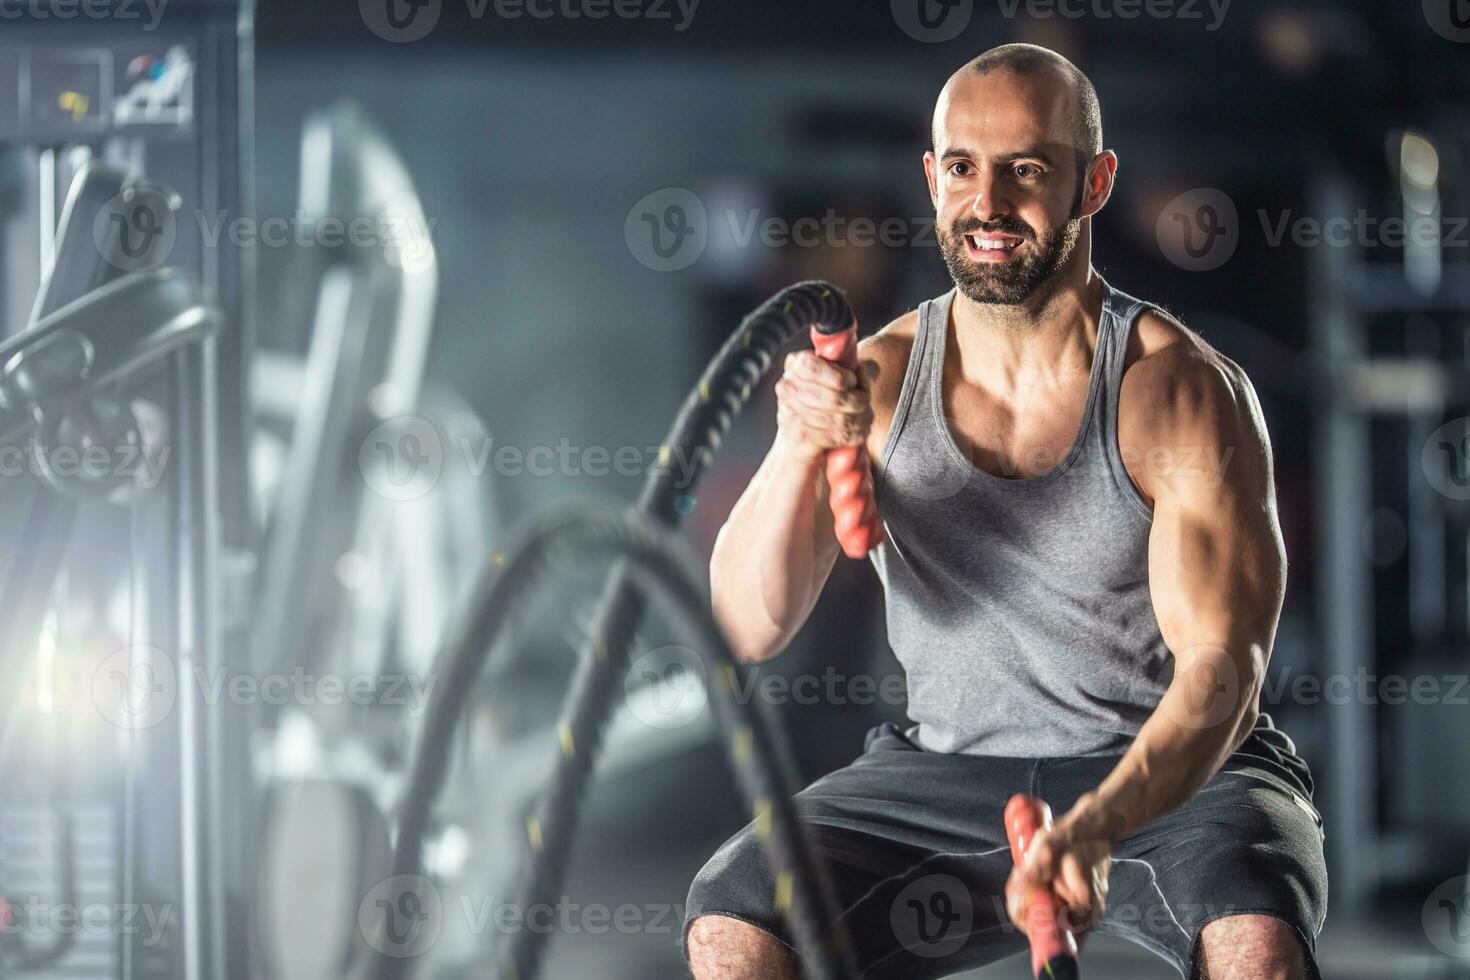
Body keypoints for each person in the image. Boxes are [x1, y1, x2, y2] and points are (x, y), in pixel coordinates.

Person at [682, 43, 1327, 980]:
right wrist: (796, 442)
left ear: (1094, 182)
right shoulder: (877, 379)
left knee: (1256, 945)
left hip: (1178, 773)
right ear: (931, 178)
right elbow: (747, 623)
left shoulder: (1176, 395)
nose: (987, 204)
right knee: (735, 924)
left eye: (1026, 170)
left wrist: (1097, 826)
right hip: (942, 774)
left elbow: (1223, 677)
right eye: (962, 168)